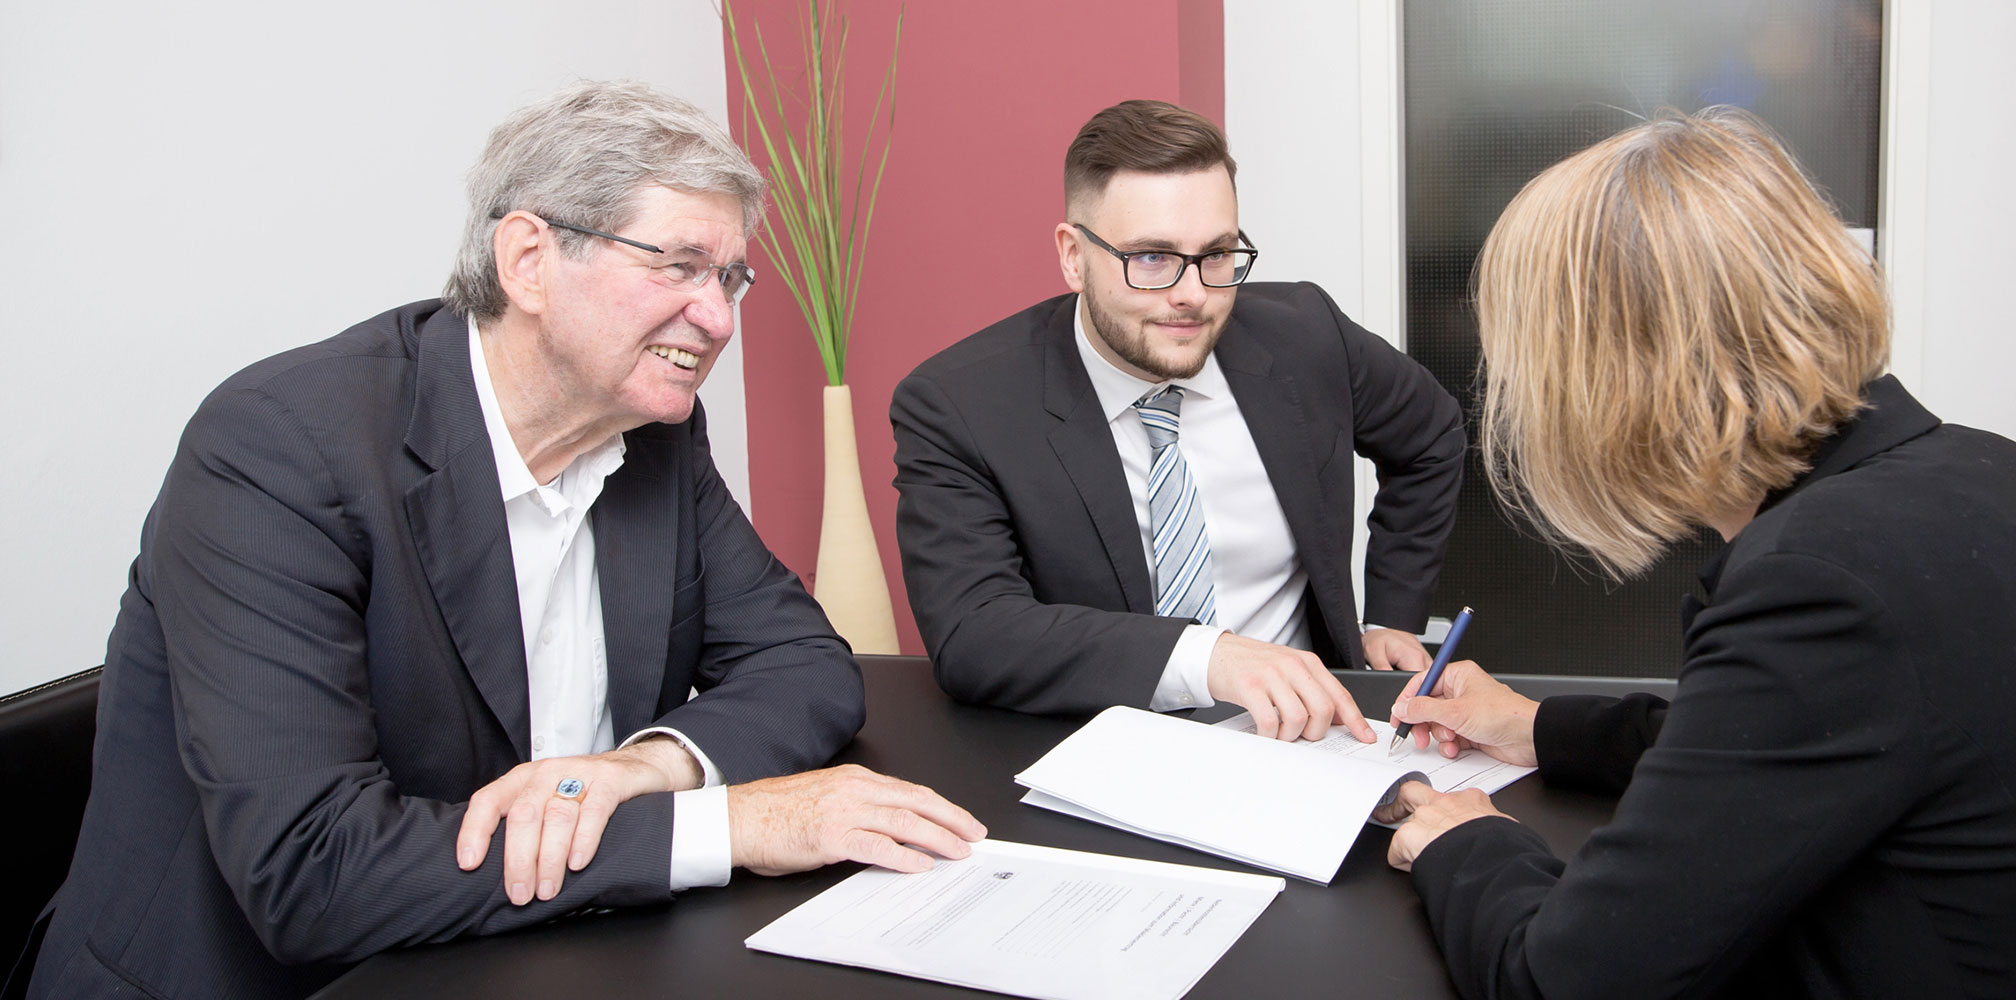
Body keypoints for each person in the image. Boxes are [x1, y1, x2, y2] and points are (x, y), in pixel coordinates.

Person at [22, 82, 985, 1000]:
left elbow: (805, 662)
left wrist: (645, 766)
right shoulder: (280, 449)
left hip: (522, 953)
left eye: (730, 277)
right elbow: (311, 872)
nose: (719, 318)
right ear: (527, 259)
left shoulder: (653, 435)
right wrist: (722, 824)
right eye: (678, 265)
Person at [1375, 108, 2016, 998]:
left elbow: (1563, 985)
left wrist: (1469, 843)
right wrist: (1533, 726)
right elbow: (1771, 747)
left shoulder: (1824, 582)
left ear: (1613, 379)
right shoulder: (1989, 474)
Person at [890, 99, 1466, 742]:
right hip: (1099, 749)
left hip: (1313, 744)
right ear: (1073, 256)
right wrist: (1209, 657)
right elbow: (976, 632)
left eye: (1216, 255)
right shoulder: (960, 404)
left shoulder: (1306, 337)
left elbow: (1432, 437)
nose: (1192, 293)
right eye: (1152, 258)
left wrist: (1392, 616)